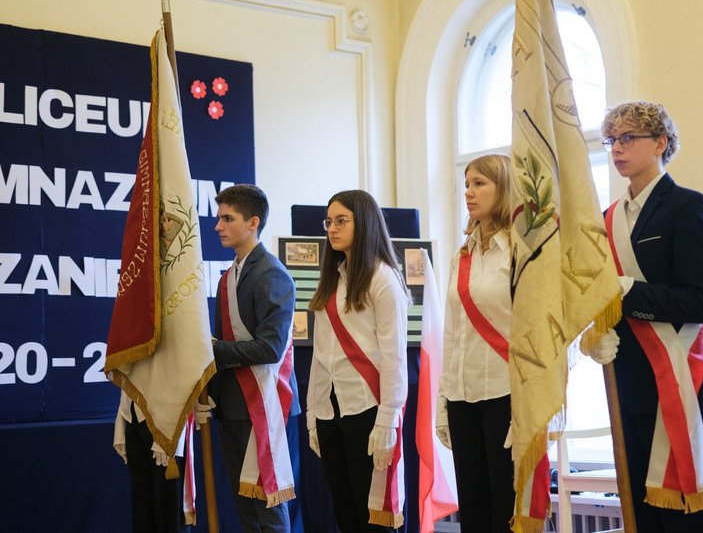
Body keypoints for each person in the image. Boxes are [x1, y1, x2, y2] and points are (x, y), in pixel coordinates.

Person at [586, 100, 703, 532]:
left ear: (660, 142)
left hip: (678, 371)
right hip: (627, 373)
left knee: (681, 506)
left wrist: (631, 294)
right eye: (612, 140)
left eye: (629, 138)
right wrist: (596, 331)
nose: (617, 149)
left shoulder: (687, 206)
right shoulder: (608, 218)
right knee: (639, 506)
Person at [306, 190, 410, 532]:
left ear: (363, 222)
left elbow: (395, 355)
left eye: (341, 221)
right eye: (329, 222)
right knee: (344, 512)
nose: (332, 229)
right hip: (329, 408)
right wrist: (312, 415)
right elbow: (320, 355)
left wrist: (388, 420)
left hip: (368, 407)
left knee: (375, 517)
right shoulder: (332, 278)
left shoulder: (383, 279)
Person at [206, 183, 300, 532]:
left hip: (266, 403)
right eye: (219, 218)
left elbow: (270, 348)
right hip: (232, 404)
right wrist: (211, 392)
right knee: (245, 507)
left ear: (253, 222)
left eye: (228, 218)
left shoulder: (271, 273)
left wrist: (211, 348)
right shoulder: (228, 277)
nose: (218, 226)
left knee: (268, 506)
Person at [435, 154, 515, 533]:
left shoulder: (521, 251)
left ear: (504, 188)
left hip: (507, 391)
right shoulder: (461, 255)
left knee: (508, 506)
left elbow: (543, 329)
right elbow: (452, 333)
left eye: (480, 183)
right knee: (474, 506)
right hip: (462, 395)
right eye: (467, 183)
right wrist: (442, 401)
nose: (469, 191)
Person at [113, 390, 190, 532]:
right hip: (133, 415)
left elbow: (179, 377)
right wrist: (121, 418)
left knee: (169, 509)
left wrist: (168, 430)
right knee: (142, 510)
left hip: (165, 418)